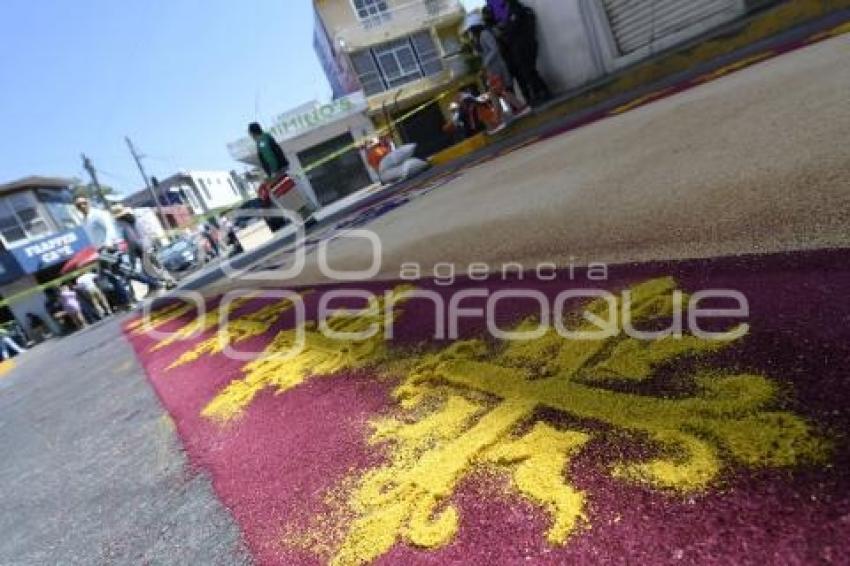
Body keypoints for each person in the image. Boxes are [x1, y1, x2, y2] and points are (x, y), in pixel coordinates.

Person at [463, 10, 530, 134]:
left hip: (497, 68)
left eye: (470, 29)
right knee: (499, 92)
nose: (469, 32)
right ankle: (518, 109)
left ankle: (503, 118)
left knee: (498, 92)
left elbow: (494, 49)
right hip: (492, 70)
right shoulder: (479, 37)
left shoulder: (484, 34)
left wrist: (485, 63)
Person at [492, 0, 552, 106]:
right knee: (528, 72)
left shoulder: (515, 7)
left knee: (529, 71)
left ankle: (544, 93)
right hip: (520, 47)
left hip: (525, 45)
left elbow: (514, 26)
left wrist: (504, 33)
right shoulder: (510, 10)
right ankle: (539, 93)